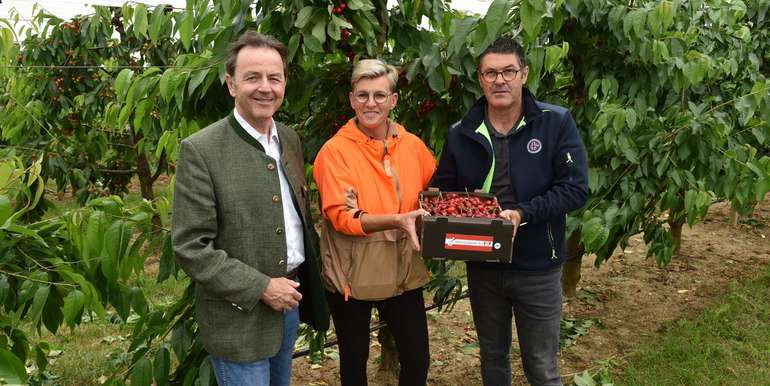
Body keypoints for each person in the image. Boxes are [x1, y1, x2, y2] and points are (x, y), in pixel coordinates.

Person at [172, 31, 328, 386]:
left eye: (274, 78)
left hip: (288, 305)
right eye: (252, 77)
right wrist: (261, 287)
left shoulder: (289, 138)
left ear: (284, 82)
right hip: (237, 318)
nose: (265, 87)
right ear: (231, 84)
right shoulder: (202, 150)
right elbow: (190, 247)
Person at [431, 37, 589, 386]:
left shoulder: (555, 123)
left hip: (537, 266)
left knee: (542, 367)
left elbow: (575, 188)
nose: (499, 80)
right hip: (483, 264)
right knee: (492, 360)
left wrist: (522, 213)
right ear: (480, 78)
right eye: (491, 73)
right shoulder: (461, 132)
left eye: (508, 71)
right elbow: (443, 190)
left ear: (524, 74)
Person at [312, 59, 436, 386]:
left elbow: (434, 192)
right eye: (363, 95)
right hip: (352, 276)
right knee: (354, 363)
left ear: (393, 101)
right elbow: (342, 216)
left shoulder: (412, 147)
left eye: (380, 95)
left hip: (402, 273)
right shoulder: (335, 152)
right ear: (352, 99)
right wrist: (398, 219)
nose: (371, 103)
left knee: (417, 359)